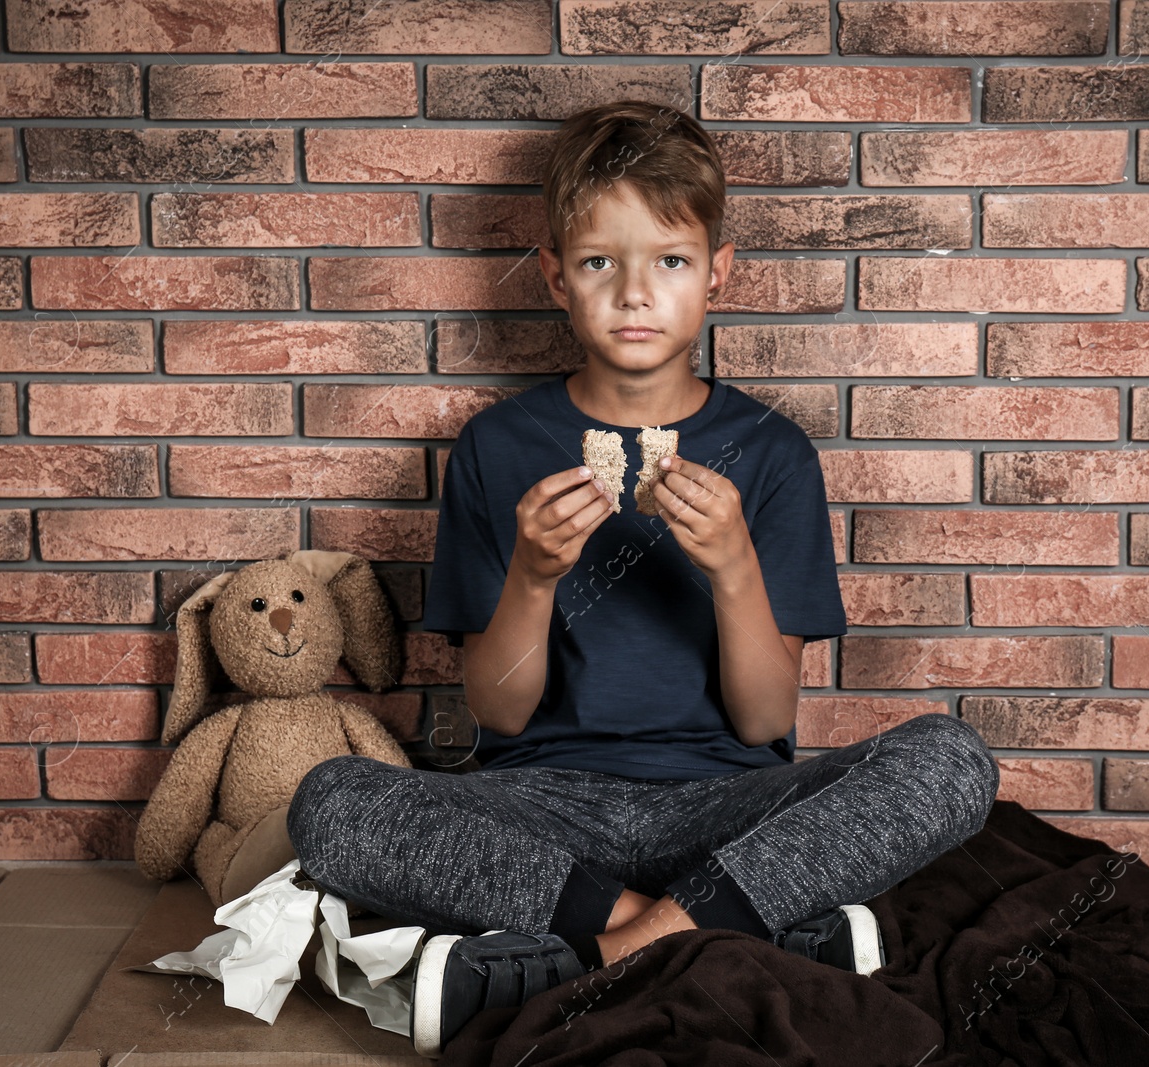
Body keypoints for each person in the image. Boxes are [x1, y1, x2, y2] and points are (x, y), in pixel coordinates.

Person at [286, 99, 1002, 1058]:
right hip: (541, 810)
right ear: (553, 277)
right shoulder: (497, 449)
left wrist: (736, 566)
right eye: (598, 263)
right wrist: (535, 575)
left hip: (724, 803)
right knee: (332, 800)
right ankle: (720, 935)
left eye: (669, 260)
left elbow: (763, 722)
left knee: (951, 760)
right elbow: (498, 717)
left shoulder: (772, 454)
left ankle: (579, 959)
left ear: (717, 273)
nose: (634, 293)